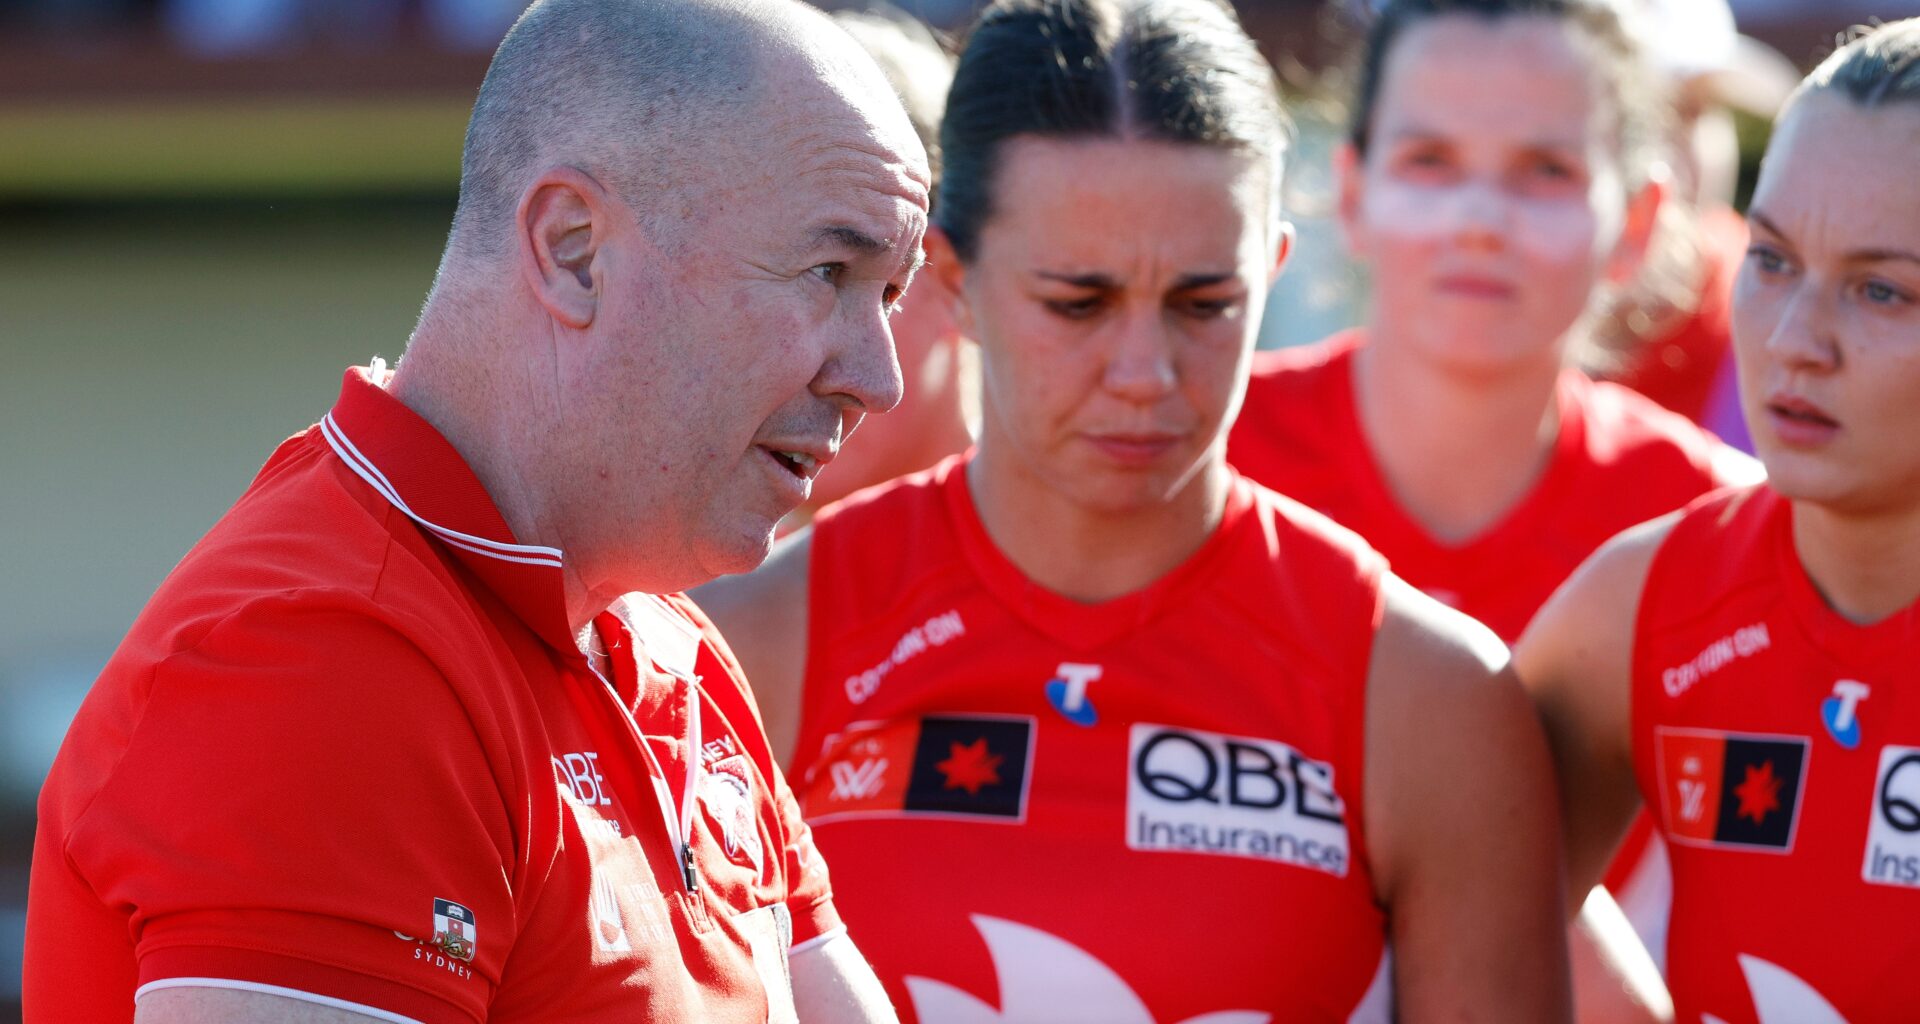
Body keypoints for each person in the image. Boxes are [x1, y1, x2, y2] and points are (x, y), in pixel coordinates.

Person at [24, 0, 927, 1021]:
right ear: (574, 248)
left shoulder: (667, 636)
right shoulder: (322, 655)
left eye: (892, 294)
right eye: (829, 274)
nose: (879, 376)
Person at [695, 0, 1571, 1019]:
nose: (1146, 372)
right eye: (1079, 301)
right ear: (952, 281)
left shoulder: (1429, 694)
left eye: (1206, 304)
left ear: (1273, 272)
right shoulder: (752, 651)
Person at [1222, 0, 1759, 989]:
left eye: (1545, 171)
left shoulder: (1721, 531)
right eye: (1430, 159)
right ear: (1352, 191)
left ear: (1637, 220)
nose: (1479, 220)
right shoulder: (1195, 459)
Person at [1516, 18, 1920, 1022]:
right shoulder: (1645, 604)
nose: (1794, 341)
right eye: (1772, 259)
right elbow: (1424, 927)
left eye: (1881, 289)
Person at [794, 5, 976, 526]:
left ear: (957, 278)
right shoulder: (685, 588)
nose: (806, 359)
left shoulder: (1066, 564)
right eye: (782, 275)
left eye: (832, 270)